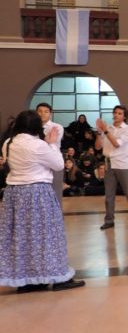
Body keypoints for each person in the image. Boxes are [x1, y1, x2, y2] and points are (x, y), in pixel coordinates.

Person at [0, 110, 84, 293]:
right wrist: (52, 144)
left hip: (15, 194)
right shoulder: (38, 145)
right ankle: (59, 278)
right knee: (48, 236)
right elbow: (58, 165)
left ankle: (31, 280)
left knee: (23, 238)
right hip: (37, 193)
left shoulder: (8, 143)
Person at [96, 105, 128, 230]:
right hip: (109, 163)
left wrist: (105, 131)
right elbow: (98, 147)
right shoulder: (108, 128)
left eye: (120, 113)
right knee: (109, 195)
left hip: (123, 164)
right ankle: (109, 220)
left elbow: (116, 144)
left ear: (124, 116)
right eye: (115, 112)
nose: (116, 115)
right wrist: (99, 132)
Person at [35, 102, 64, 203]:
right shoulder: (32, 128)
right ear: (36, 113)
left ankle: (58, 218)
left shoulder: (56, 127)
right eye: (40, 111)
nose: (42, 114)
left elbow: (52, 143)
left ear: (50, 114)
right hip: (38, 161)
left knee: (56, 191)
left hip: (53, 159)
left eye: (46, 112)